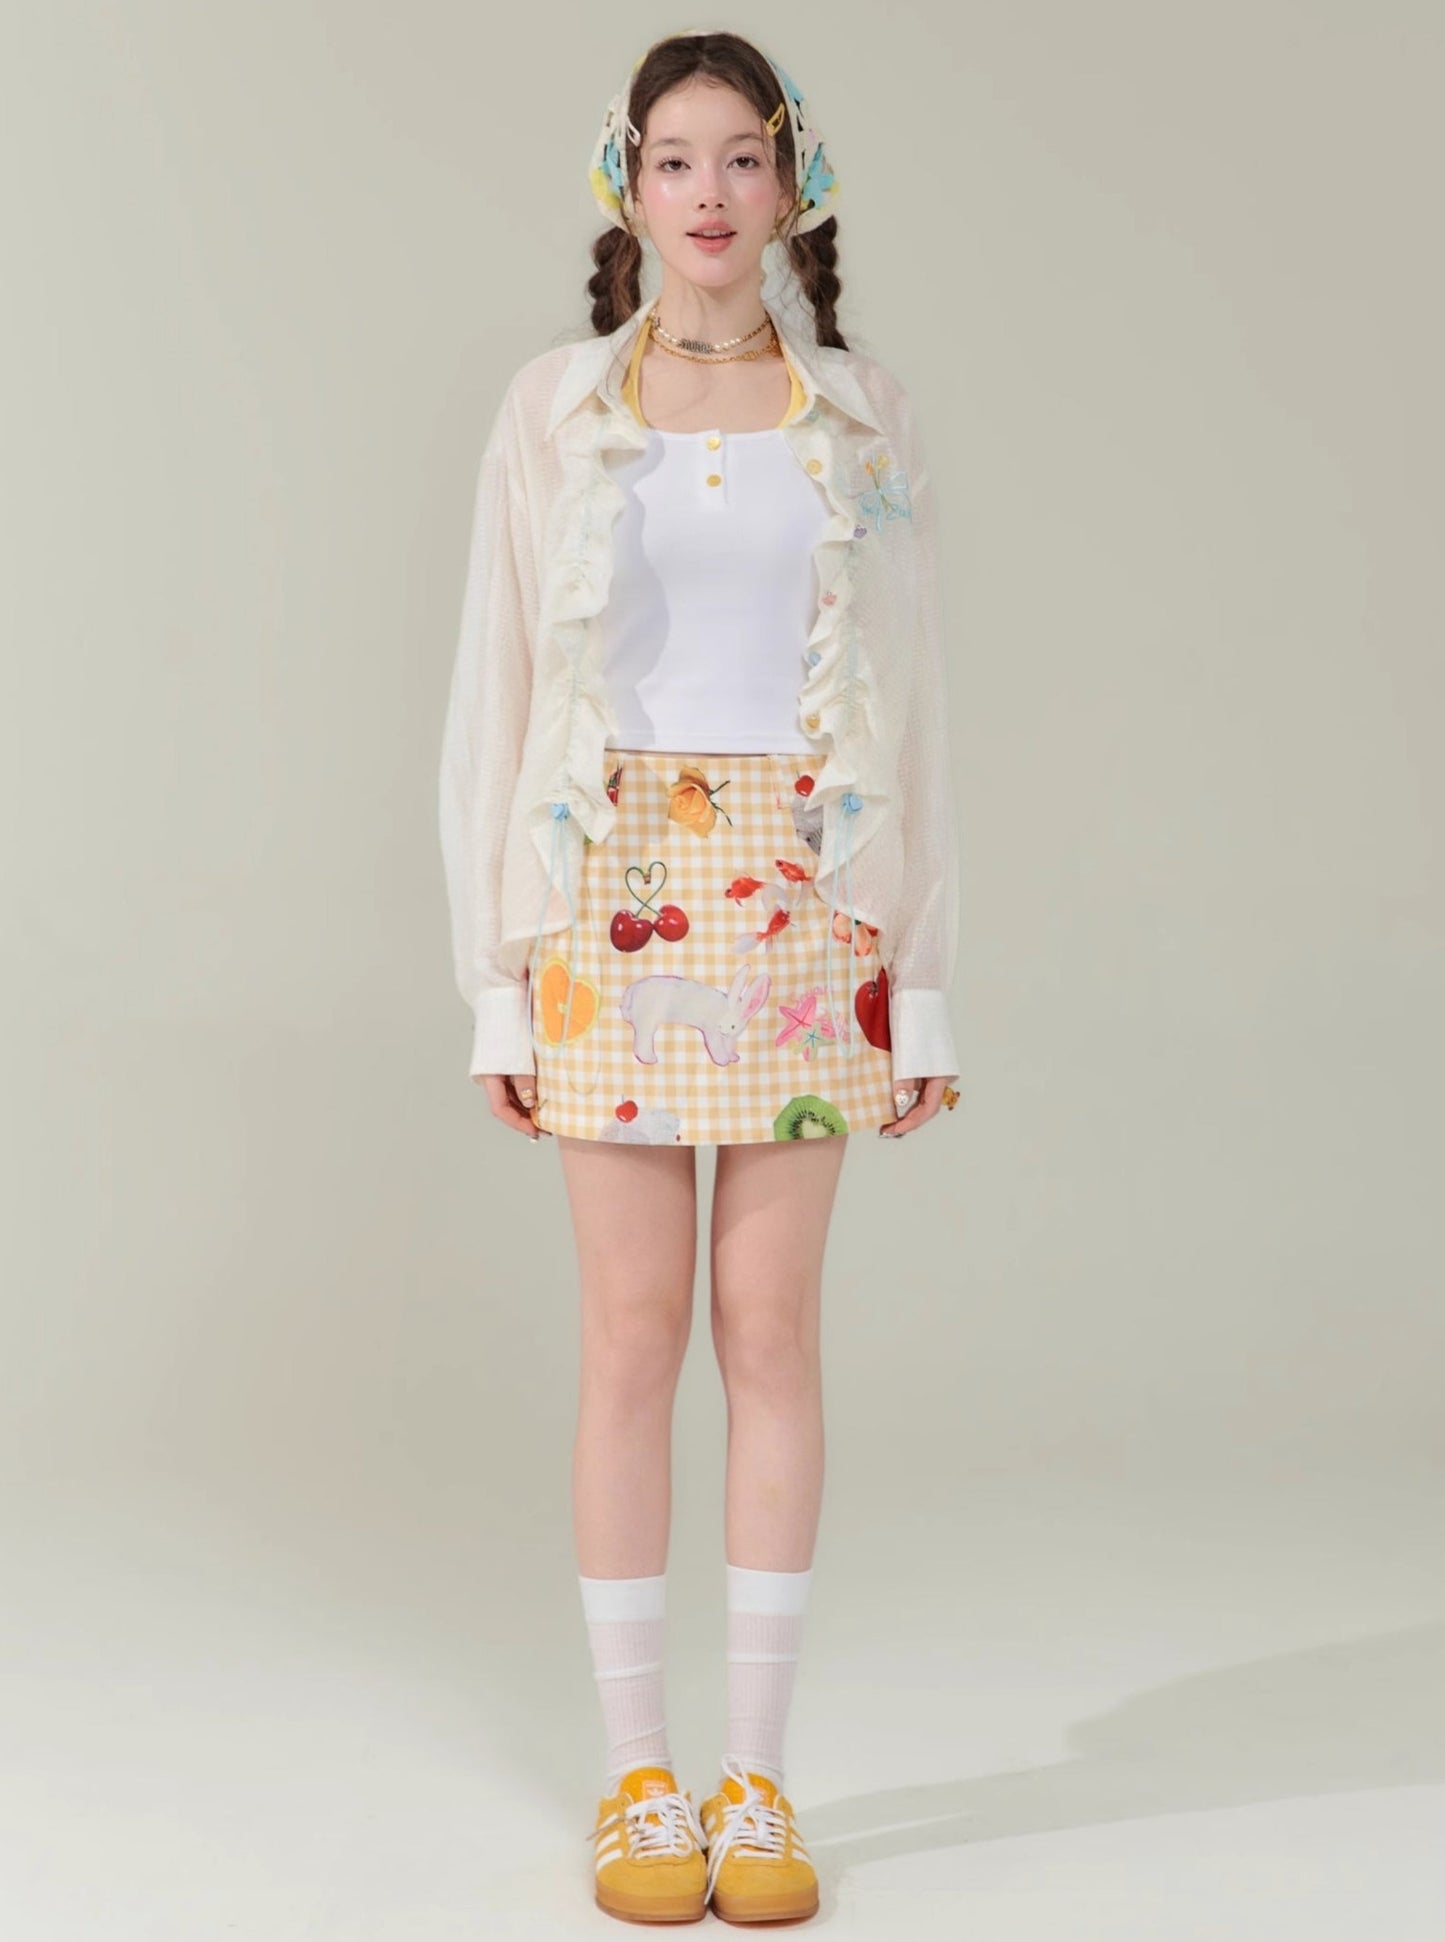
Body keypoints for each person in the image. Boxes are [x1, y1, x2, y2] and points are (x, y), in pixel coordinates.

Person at [438, 28, 962, 1925]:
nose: (711, 194)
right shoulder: (556, 407)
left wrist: (923, 976)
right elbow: (498, 688)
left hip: (806, 892)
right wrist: (498, 979)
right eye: (676, 159)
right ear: (626, 183)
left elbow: (913, 707)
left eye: (743, 157)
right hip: (608, 888)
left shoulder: (861, 412)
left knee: (768, 1327)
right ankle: (638, 1776)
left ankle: (756, 1776)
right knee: (632, 1330)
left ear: (793, 180)